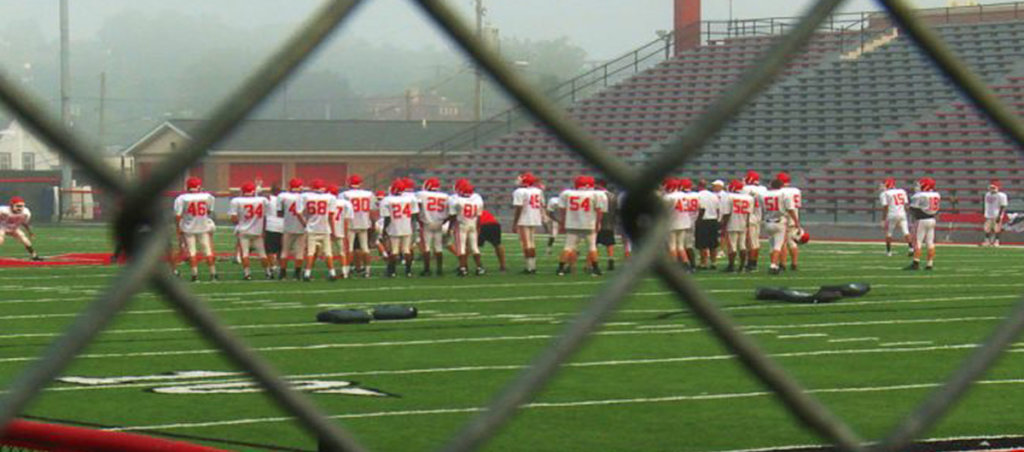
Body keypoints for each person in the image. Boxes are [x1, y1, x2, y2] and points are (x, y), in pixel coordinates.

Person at [557, 175, 604, 276]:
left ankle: (560, 269)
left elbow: (562, 210)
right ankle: (595, 269)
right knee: (592, 247)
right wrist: (598, 223)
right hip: (589, 223)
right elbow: (599, 211)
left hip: (572, 223)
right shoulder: (595, 194)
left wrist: (563, 222)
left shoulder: (567, 193)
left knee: (568, 247)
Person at [173, 177, 217, 282]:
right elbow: (209, 211)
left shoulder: (181, 198)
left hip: (189, 228)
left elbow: (178, 216)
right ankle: (213, 274)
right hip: (203, 227)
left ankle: (194, 275)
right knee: (208, 251)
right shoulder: (208, 196)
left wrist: (178, 228)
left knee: (192, 252)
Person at [228, 182, 272, 280]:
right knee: (262, 254)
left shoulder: (236, 201)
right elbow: (266, 216)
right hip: (257, 231)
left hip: (244, 231)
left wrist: (240, 221)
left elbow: (233, 218)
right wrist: (263, 229)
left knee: (245, 253)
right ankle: (268, 273)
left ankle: (247, 274)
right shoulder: (262, 200)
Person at [300, 179, 339, 281]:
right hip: (325, 228)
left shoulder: (306, 196)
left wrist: (305, 223)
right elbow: (331, 216)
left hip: (312, 228)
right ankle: (332, 273)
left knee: (310, 252)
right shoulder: (330, 198)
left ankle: (307, 274)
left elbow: (299, 212)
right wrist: (333, 231)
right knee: (328, 252)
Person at [380, 179, 419, 277]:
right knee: (406, 250)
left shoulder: (387, 200)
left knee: (394, 251)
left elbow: (387, 217)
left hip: (394, 227)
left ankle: (392, 271)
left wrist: (385, 229)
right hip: (406, 226)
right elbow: (414, 215)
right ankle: (408, 271)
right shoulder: (410, 199)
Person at [448, 179, 485, 276]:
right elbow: (479, 215)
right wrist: (478, 227)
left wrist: (450, 228)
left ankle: (463, 268)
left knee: (461, 248)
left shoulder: (456, 200)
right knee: (474, 247)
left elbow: (453, 215)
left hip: (461, 225)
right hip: (473, 223)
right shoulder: (477, 198)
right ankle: (479, 267)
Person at [342, 174, 377, 278]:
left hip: (351, 223)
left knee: (349, 248)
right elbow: (372, 211)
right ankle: (367, 271)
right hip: (364, 223)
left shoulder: (344, 194)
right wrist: (373, 223)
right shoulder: (368, 194)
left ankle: (347, 270)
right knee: (365, 248)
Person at [512, 172, 545, 274]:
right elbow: (542, 204)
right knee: (532, 243)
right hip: (535, 217)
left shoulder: (519, 191)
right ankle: (532, 266)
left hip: (524, 218)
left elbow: (519, 207)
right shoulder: (538, 191)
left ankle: (529, 267)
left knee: (526, 243)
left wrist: (515, 222)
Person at [274, 178, 306, 280]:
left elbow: (279, 213)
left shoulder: (282, 196)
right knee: (299, 252)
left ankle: (283, 273)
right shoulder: (304, 197)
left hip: (288, 226)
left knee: (285, 251)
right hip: (301, 227)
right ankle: (297, 274)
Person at [417, 177, 449, 276]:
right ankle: (439, 269)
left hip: (427, 222)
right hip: (439, 222)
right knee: (438, 247)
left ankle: (427, 269)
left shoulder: (421, 194)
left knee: (426, 247)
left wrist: (419, 219)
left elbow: (417, 205)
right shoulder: (445, 196)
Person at [907, 177, 941, 270]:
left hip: (921, 220)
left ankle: (916, 263)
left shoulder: (919, 195)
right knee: (930, 242)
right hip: (932, 219)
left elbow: (913, 209)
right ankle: (930, 264)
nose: (918, 186)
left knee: (917, 242)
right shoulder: (936, 194)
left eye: (921, 184)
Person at [761, 179, 794, 275]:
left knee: (771, 245)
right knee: (778, 246)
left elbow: (762, 208)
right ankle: (773, 265)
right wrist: (796, 221)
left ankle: (774, 264)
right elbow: (790, 209)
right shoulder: (783, 194)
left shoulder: (764, 194)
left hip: (767, 221)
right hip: (779, 221)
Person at [720, 179, 753, 273]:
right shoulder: (748, 198)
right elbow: (748, 213)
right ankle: (742, 266)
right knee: (742, 246)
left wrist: (724, 225)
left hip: (732, 223)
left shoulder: (729, 197)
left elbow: (727, 213)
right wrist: (746, 224)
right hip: (743, 223)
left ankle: (731, 266)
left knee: (732, 246)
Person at [664, 178, 696, 271]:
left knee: (672, 246)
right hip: (685, 222)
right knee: (681, 246)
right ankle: (686, 265)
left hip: (673, 223)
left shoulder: (668, 197)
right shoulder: (684, 195)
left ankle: (674, 267)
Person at [741, 170, 768, 271]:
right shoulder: (763, 189)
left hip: (749, 217)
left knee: (750, 243)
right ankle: (754, 262)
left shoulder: (745, 189)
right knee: (755, 242)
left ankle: (751, 263)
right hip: (758, 216)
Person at [879, 177, 913, 256]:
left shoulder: (884, 194)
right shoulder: (902, 191)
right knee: (906, 232)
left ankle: (888, 252)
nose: (883, 186)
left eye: (884, 184)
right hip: (902, 214)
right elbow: (906, 205)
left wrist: (883, 219)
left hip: (892, 214)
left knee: (889, 233)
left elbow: (885, 207)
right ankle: (911, 248)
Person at [0, 196, 41, 260]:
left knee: (25, 240)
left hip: (14, 229)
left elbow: (24, 223)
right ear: (11, 205)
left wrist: (30, 232)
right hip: (2, 227)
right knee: (0, 240)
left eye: (21, 206)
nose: (20, 208)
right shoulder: (3, 210)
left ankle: (34, 255)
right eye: (18, 206)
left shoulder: (25, 213)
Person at [777, 172, 803, 271]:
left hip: (784, 217)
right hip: (794, 216)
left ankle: (782, 264)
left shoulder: (781, 191)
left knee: (782, 242)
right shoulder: (796, 190)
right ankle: (794, 264)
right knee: (792, 242)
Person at [694, 179, 721, 269]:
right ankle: (713, 262)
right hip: (713, 220)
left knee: (702, 244)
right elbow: (718, 209)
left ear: (699, 186)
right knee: (713, 244)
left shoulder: (698, 195)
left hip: (703, 220)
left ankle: (703, 263)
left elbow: (701, 208)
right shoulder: (714, 196)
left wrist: (698, 220)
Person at [595, 179, 619, 271]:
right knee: (610, 243)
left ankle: (591, 264)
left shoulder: (596, 195)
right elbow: (617, 211)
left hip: (597, 223)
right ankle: (611, 261)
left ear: (599, 185)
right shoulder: (613, 196)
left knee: (593, 244)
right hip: (609, 223)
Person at [478, 208, 507, 272]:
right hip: (494, 225)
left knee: (471, 246)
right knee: (498, 245)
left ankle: (465, 265)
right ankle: (503, 266)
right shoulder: (482, 210)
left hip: (482, 225)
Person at [264, 185, 284, 277]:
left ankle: (272, 266)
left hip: (271, 225)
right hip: (282, 225)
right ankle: (280, 267)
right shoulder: (284, 199)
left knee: (270, 250)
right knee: (281, 249)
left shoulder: (268, 199)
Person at [982, 179, 1008, 247]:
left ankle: (996, 241)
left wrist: (999, 215)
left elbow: (1003, 206)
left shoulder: (1002, 195)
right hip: (988, 214)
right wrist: (984, 212)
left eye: (993, 188)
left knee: (997, 229)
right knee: (987, 229)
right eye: (991, 187)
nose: (991, 189)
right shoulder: (987, 194)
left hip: (996, 214)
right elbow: (986, 204)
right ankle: (987, 241)